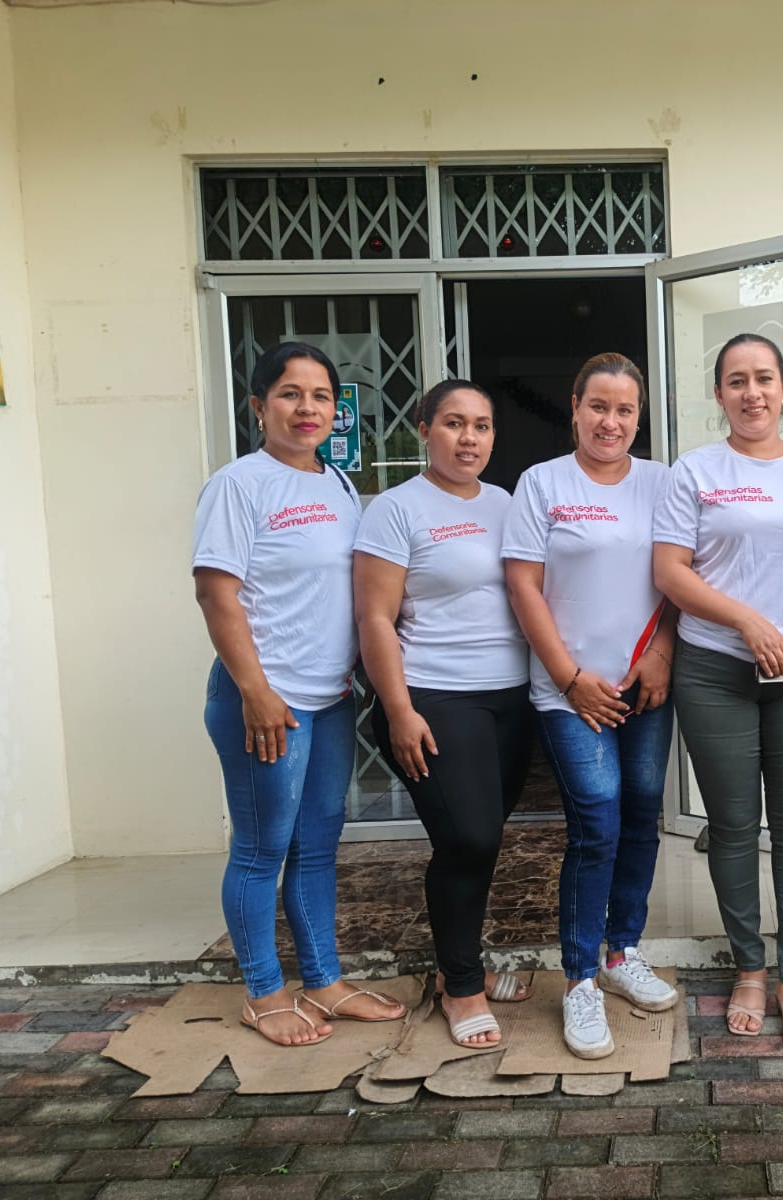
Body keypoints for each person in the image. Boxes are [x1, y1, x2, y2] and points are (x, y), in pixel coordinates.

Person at [193, 342, 406, 1046]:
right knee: (262, 849)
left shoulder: (338, 482)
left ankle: (323, 980)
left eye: (321, 396)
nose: (307, 408)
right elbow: (216, 593)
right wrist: (254, 691)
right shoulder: (239, 485)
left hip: (329, 697)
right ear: (260, 406)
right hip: (266, 700)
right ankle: (263, 992)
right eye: (290, 393)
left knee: (317, 846)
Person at [652, 332, 783, 1057]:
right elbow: (671, 571)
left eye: (764, 378)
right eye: (737, 380)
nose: (752, 392)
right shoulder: (695, 471)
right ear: (719, 394)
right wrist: (745, 621)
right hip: (714, 671)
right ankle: (749, 970)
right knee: (733, 825)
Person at [503, 353, 681, 1060]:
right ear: (574, 408)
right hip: (569, 691)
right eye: (598, 406)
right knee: (598, 818)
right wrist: (568, 676)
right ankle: (579, 978)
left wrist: (662, 653)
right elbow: (523, 585)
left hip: (644, 684)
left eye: (625, 410)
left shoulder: (662, 483)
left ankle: (620, 952)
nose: (611, 422)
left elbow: (679, 576)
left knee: (642, 811)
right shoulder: (542, 483)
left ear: (640, 417)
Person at [353, 379, 533, 1048]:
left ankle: (462, 965)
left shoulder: (507, 504)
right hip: (433, 696)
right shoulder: (395, 509)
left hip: (511, 699)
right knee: (468, 839)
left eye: (481, 425)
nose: (469, 438)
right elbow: (374, 617)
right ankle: (461, 986)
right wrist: (397, 708)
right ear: (425, 429)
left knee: (481, 837)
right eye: (454, 423)